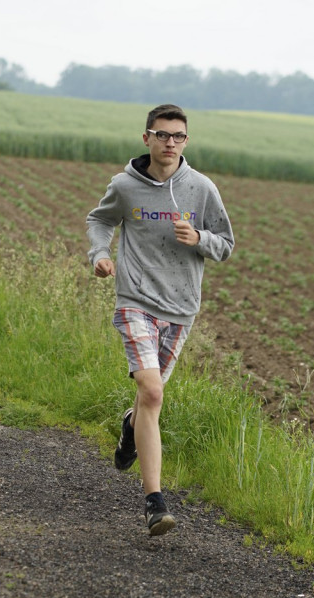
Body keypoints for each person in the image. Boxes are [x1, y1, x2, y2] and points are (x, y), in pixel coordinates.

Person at [86, 104, 234, 536]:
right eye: (162, 134)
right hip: (135, 299)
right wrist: (99, 254)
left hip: (181, 308)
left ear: (186, 141)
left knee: (147, 403)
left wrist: (201, 238)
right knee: (152, 391)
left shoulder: (202, 189)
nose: (170, 143)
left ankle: (130, 428)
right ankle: (155, 502)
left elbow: (226, 243)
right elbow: (100, 219)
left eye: (178, 136)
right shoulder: (125, 186)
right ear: (146, 137)